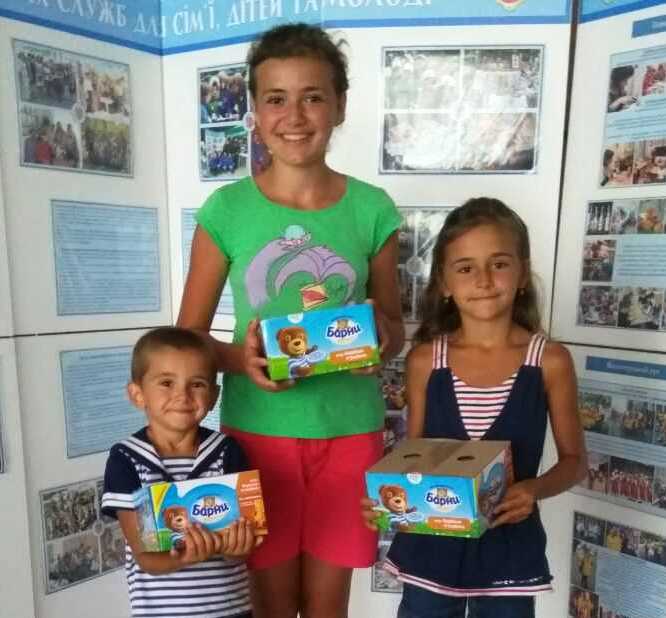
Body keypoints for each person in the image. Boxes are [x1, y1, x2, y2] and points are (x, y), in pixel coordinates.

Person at [177, 23, 404, 618]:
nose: (295, 116)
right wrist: (243, 361)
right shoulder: (226, 210)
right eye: (276, 98)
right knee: (272, 608)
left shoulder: (372, 209)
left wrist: (380, 336)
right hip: (258, 435)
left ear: (340, 106)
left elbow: (394, 328)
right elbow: (187, 340)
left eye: (313, 96)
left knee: (328, 609)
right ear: (254, 112)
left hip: (350, 432)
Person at [362, 198, 586, 618]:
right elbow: (413, 457)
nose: (483, 280)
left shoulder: (549, 361)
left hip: (509, 550)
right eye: (465, 268)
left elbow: (575, 462)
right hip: (430, 547)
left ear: (522, 272)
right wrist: (387, 497)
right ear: (444, 283)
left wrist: (533, 490)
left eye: (498, 264)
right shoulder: (426, 361)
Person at [101, 327, 261, 618]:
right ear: (137, 394)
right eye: (166, 383)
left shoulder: (228, 452)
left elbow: (242, 548)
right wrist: (186, 556)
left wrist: (236, 548)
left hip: (232, 610)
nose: (182, 396)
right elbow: (146, 557)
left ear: (213, 395)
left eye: (197, 384)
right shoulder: (126, 459)